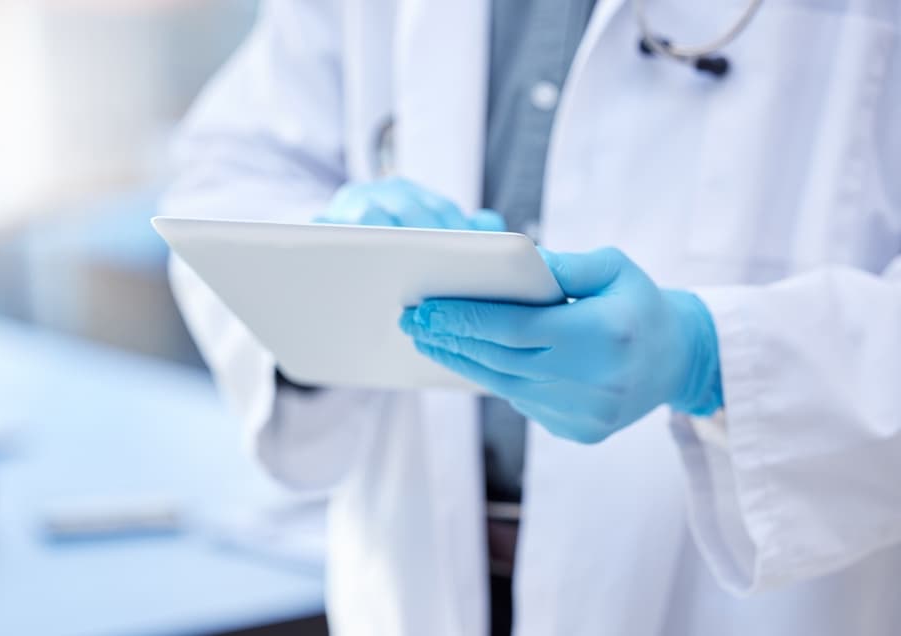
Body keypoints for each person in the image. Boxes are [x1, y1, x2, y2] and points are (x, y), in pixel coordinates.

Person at [164, 1, 901, 635]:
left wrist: (714, 360)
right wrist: (318, 261)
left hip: (755, 594)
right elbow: (232, 167)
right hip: (419, 571)